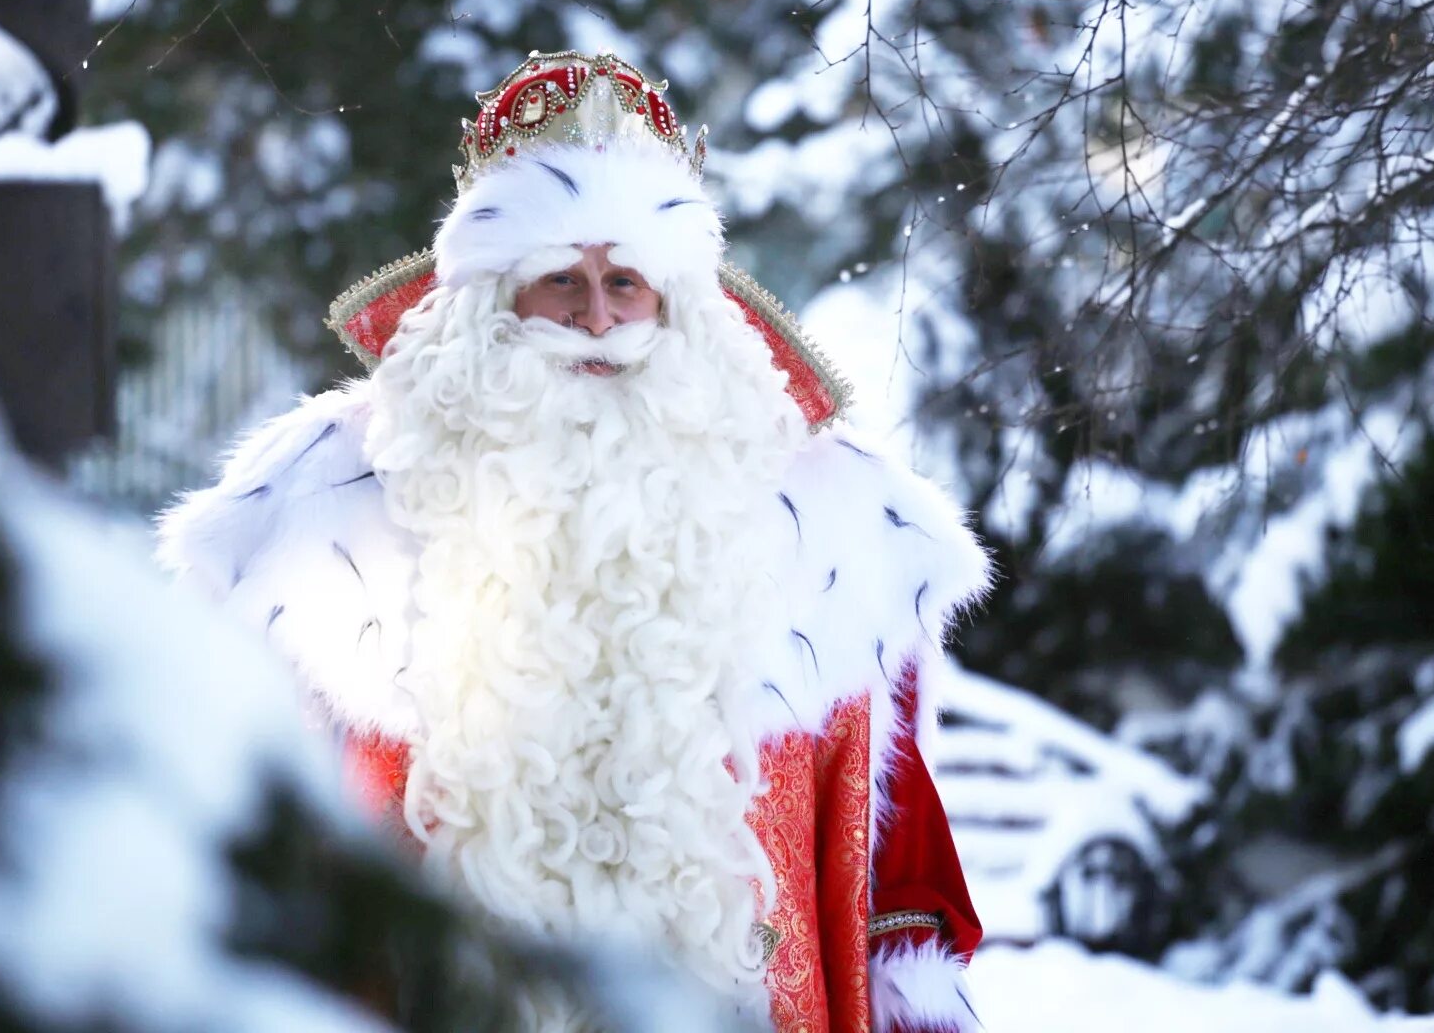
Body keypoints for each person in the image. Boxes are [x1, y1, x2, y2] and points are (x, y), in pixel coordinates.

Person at [158, 51, 992, 1032]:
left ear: (679, 300)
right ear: (489, 296)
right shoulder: (334, 512)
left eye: (626, 281)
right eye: (562, 279)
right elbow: (245, 827)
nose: (597, 318)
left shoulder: (829, 529)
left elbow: (899, 865)